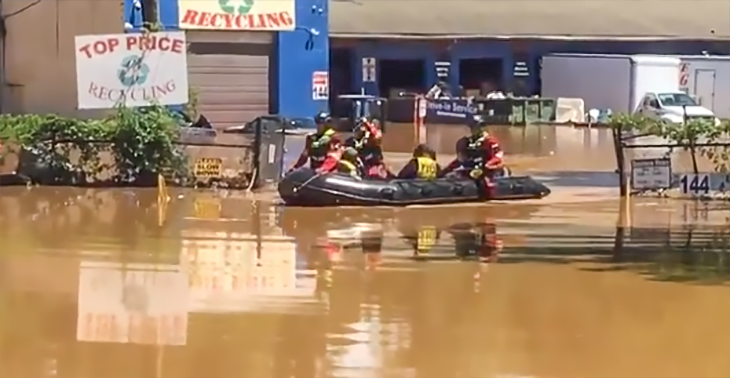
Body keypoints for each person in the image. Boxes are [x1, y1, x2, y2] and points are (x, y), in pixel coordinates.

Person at [439, 115, 503, 194]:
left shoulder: (490, 141)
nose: (473, 129)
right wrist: (445, 171)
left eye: (475, 127)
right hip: (470, 169)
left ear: (481, 127)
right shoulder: (467, 142)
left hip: (488, 170)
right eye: (472, 127)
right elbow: (460, 160)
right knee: (452, 176)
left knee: (481, 178)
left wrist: (486, 166)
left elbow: (497, 157)